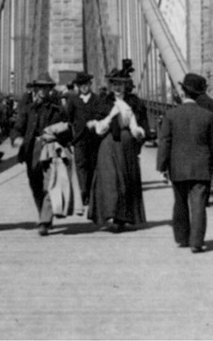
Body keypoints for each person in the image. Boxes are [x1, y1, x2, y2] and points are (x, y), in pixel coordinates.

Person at [157, 73, 213, 253]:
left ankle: (181, 238)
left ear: (184, 92)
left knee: (180, 201)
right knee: (199, 204)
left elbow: (165, 142)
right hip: (201, 166)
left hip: (177, 166)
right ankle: (197, 242)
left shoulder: (171, 115)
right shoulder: (208, 116)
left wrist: (162, 166)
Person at [11, 72, 72, 236]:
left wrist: (56, 136)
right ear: (36, 89)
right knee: (35, 185)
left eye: (46, 88)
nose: (43, 91)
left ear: (50, 89)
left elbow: (68, 129)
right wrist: (16, 138)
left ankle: (44, 221)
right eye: (40, 88)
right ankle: (43, 214)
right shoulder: (28, 109)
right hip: (32, 151)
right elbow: (18, 126)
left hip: (50, 150)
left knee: (49, 185)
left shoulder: (57, 109)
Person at [86, 73, 147, 232]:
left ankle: (122, 218)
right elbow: (96, 123)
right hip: (108, 143)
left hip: (127, 145)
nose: (118, 88)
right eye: (114, 84)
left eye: (121, 84)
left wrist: (140, 133)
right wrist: (99, 123)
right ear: (111, 86)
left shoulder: (134, 102)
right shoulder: (103, 102)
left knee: (126, 180)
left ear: (126, 85)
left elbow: (140, 125)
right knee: (109, 179)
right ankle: (110, 215)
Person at [63, 71, 108, 210]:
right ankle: (84, 193)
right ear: (78, 86)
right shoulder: (74, 100)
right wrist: (70, 137)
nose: (83, 87)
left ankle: (90, 191)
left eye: (86, 84)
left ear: (90, 84)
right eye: (81, 85)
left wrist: (95, 122)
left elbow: (102, 115)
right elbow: (68, 119)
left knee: (92, 166)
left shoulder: (97, 99)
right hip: (79, 139)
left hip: (95, 139)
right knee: (81, 165)